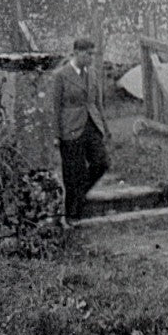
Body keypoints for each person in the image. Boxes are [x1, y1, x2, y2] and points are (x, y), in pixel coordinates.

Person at [53, 37, 109, 221]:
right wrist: (56, 134)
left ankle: (78, 197)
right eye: (88, 54)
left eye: (93, 54)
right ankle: (72, 214)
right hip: (70, 127)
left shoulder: (92, 73)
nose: (91, 58)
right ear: (76, 53)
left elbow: (97, 103)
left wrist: (104, 127)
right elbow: (55, 107)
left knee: (101, 163)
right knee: (72, 172)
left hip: (91, 124)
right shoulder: (61, 75)